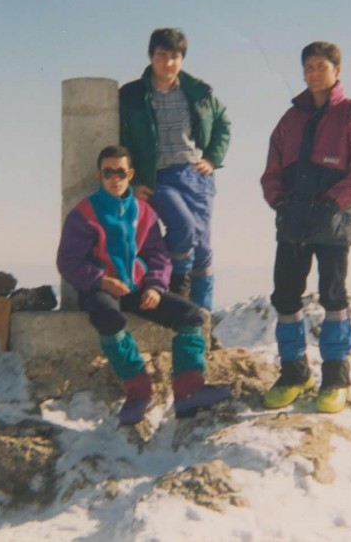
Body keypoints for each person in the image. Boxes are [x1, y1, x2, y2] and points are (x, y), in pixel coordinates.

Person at [57, 145, 231, 426]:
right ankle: (139, 392)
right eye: (108, 172)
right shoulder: (84, 213)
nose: (115, 178)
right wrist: (101, 281)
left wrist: (154, 286)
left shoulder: (144, 212)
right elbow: (68, 261)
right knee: (109, 318)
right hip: (100, 288)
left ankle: (189, 390)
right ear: (99, 175)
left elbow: (157, 255)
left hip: (138, 287)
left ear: (131, 174)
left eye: (121, 172)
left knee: (192, 316)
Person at [260, 41, 351, 414]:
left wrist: (333, 201)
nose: (314, 73)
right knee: (285, 296)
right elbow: (273, 169)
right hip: (294, 217)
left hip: (333, 217)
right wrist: (280, 202)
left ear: (337, 71)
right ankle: (295, 374)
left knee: (332, 297)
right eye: (308, 67)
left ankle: (334, 378)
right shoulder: (291, 119)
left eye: (321, 66)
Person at [119, 28, 231, 311]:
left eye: (174, 57)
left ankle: (201, 320)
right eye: (161, 55)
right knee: (183, 228)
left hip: (196, 176)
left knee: (203, 250)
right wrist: (133, 181)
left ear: (182, 59)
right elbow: (122, 139)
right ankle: (176, 287)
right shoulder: (132, 95)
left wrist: (212, 159)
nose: (168, 63)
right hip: (158, 177)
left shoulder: (198, 92)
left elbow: (222, 124)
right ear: (150, 56)